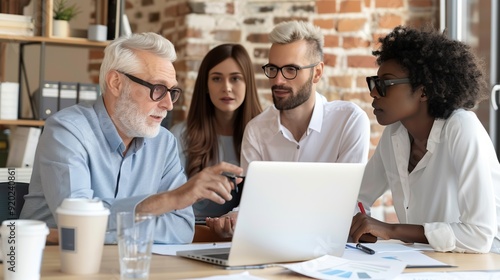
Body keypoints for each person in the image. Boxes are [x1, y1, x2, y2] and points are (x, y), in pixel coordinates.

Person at [20, 32, 243, 244]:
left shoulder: (164, 143)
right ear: (116, 83)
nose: (168, 104)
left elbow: (182, 229)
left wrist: (91, 231)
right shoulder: (67, 130)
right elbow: (77, 221)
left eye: (172, 92)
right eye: (157, 89)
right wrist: (168, 201)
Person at [206, 20, 371, 237]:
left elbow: (342, 206)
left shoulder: (349, 121)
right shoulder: (256, 130)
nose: (278, 80)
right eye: (273, 69)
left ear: (317, 73)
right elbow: (255, 203)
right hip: (275, 244)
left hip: (339, 246)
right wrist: (237, 218)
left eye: (291, 70)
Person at [349, 25, 500, 254]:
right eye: (373, 82)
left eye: (384, 84)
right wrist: (362, 223)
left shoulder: (461, 128)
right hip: (426, 264)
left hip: (485, 264)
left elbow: (479, 236)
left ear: (423, 91)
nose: (373, 93)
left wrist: (392, 230)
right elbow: (358, 196)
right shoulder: (395, 135)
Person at [170, 43, 262, 220]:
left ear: (248, 83)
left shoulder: (266, 135)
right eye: (217, 79)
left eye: (235, 78)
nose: (226, 87)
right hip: (192, 236)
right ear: (205, 85)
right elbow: (169, 202)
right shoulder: (179, 136)